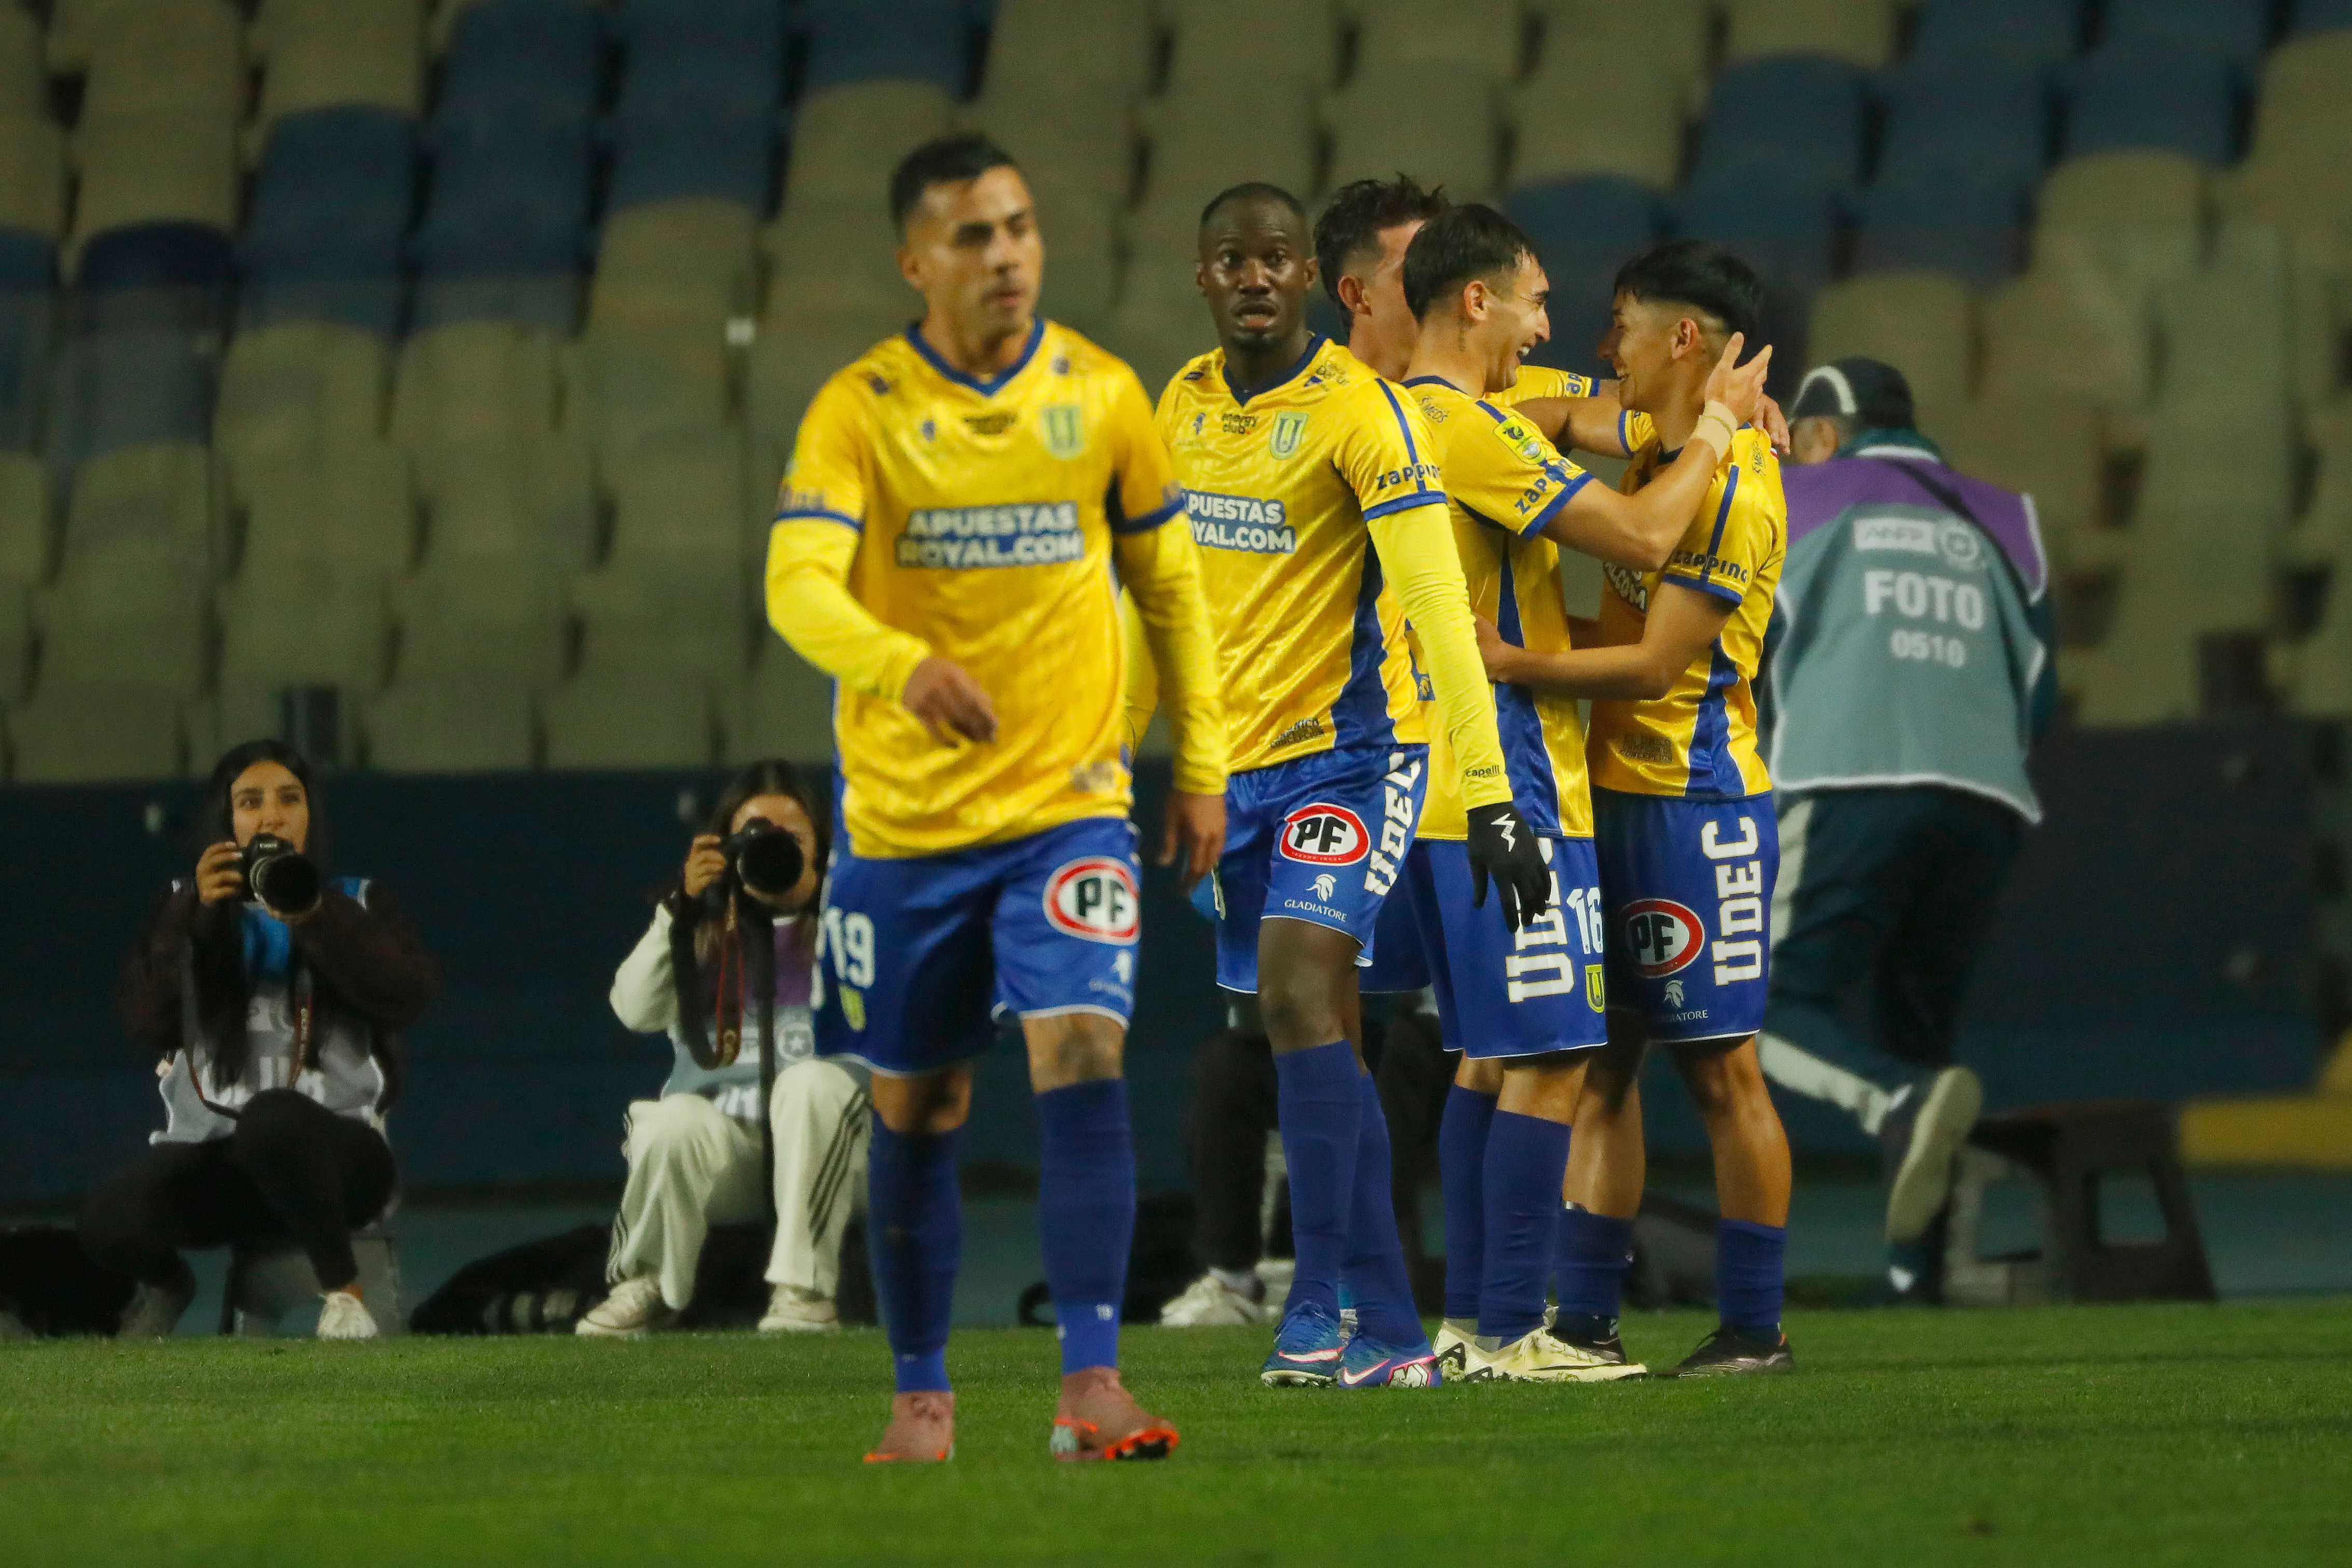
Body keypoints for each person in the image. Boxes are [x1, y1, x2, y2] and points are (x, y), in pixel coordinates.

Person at [764, 133, 1227, 1463]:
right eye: (973, 235)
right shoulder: (857, 408)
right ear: (916, 262)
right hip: (906, 831)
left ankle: (1091, 1382)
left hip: (1068, 806)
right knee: (922, 1107)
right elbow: (797, 584)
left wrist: (1196, 760)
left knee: (1081, 1052)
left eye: (1019, 226)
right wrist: (901, 666)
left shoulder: (1103, 393)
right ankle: (922, 1397)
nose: (1007, 253)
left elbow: (1170, 588)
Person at [1150, 182, 1551, 1391]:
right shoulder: (1176, 408)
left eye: (1276, 256)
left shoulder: (1360, 411)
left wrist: (1485, 790)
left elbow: (1435, 604)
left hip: (1351, 760)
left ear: (1301, 279)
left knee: (1295, 997)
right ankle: (1360, 1320)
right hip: (1235, 777)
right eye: (1235, 259)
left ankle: (1336, 1310)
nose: (1256, 276)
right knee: (1313, 1034)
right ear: (1204, 274)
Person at [1395, 205, 1771, 1381]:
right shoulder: (1660, 449)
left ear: (1685, 342)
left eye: (1616, 327)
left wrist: (1519, 667)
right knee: (1589, 1060)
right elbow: (1568, 416)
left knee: (1720, 1068)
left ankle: (1752, 1326)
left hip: (1693, 798)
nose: (1591, 343)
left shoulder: (1728, 481)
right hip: (1593, 788)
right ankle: (1577, 1318)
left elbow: (1660, 661)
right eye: (1565, 311)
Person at [1758, 357, 2057, 1303]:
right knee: (1918, 1025)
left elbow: (1742, 640)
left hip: (1849, 774)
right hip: (1985, 797)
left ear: (1819, 436)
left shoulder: (1799, 497)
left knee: (1760, 1006)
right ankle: (1911, 1280)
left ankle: (1888, 1097)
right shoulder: (2004, 517)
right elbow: (2039, 681)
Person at [80, 739, 439, 1339]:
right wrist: (193, 917)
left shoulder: (357, 900)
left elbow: (405, 995)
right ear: (227, 823)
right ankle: (169, 1286)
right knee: (107, 1219)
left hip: (340, 1158)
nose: (271, 816)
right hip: (223, 1164)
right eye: (250, 802)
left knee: (273, 1120)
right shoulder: (184, 908)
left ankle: (344, 1296)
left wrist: (314, 916)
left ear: (309, 817)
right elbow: (148, 1019)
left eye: (289, 800)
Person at [575, 760, 868, 1338]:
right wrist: (680, 912)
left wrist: (827, 896)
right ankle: (649, 1284)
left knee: (810, 1081)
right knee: (670, 1119)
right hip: (728, 1157)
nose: (774, 849)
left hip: (841, 1161)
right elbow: (633, 1010)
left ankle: (804, 1290)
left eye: (793, 838)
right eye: (758, 836)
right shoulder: (701, 926)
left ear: (820, 846)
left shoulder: (849, 919)